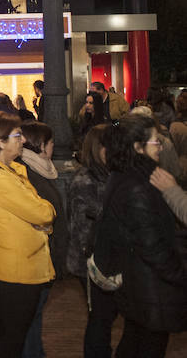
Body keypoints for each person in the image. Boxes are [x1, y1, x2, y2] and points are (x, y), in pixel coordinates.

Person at [94, 114, 187, 357]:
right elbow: (151, 243)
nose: (161, 145)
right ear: (138, 147)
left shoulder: (128, 175)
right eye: (156, 141)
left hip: (142, 284)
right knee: (147, 346)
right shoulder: (138, 185)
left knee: (135, 342)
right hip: (150, 286)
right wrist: (179, 272)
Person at [0, 111, 55, 358]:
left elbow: (39, 213)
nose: (22, 140)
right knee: (13, 336)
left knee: (15, 333)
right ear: (0, 142)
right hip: (15, 268)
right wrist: (45, 216)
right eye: (17, 135)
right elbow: (44, 212)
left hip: (22, 265)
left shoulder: (11, 171)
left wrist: (42, 218)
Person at [19, 121, 68, 358]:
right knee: (30, 317)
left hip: (44, 257)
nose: (53, 147)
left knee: (34, 316)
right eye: (50, 143)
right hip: (36, 258)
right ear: (40, 145)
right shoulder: (27, 173)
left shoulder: (37, 169)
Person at [66, 124, 116, 357]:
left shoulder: (109, 173)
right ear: (100, 148)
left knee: (105, 317)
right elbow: (82, 227)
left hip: (104, 257)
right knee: (100, 318)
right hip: (93, 260)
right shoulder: (85, 180)